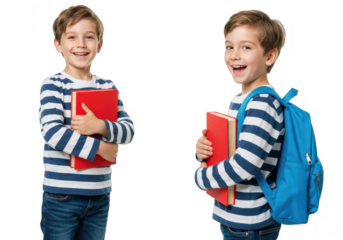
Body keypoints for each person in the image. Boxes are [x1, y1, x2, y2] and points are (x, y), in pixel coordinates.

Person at [39, 4, 135, 239]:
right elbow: (52, 132)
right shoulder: (53, 84)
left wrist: (100, 127)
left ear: (99, 45)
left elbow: (128, 131)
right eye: (72, 37)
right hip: (62, 195)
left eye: (88, 37)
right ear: (58, 45)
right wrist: (102, 148)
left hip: (100, 195)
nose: (81, 44)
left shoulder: (108, 86)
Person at [194, 8, 287, 240]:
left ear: (269, 56)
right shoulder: (242, 100)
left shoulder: (262, 103)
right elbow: (230, 152)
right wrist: (204, 153)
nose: (234, 55)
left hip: (251, 224)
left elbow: (245, 164)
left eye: (246, 47)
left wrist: (201, 177)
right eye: (229, 46)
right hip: (238, 218)